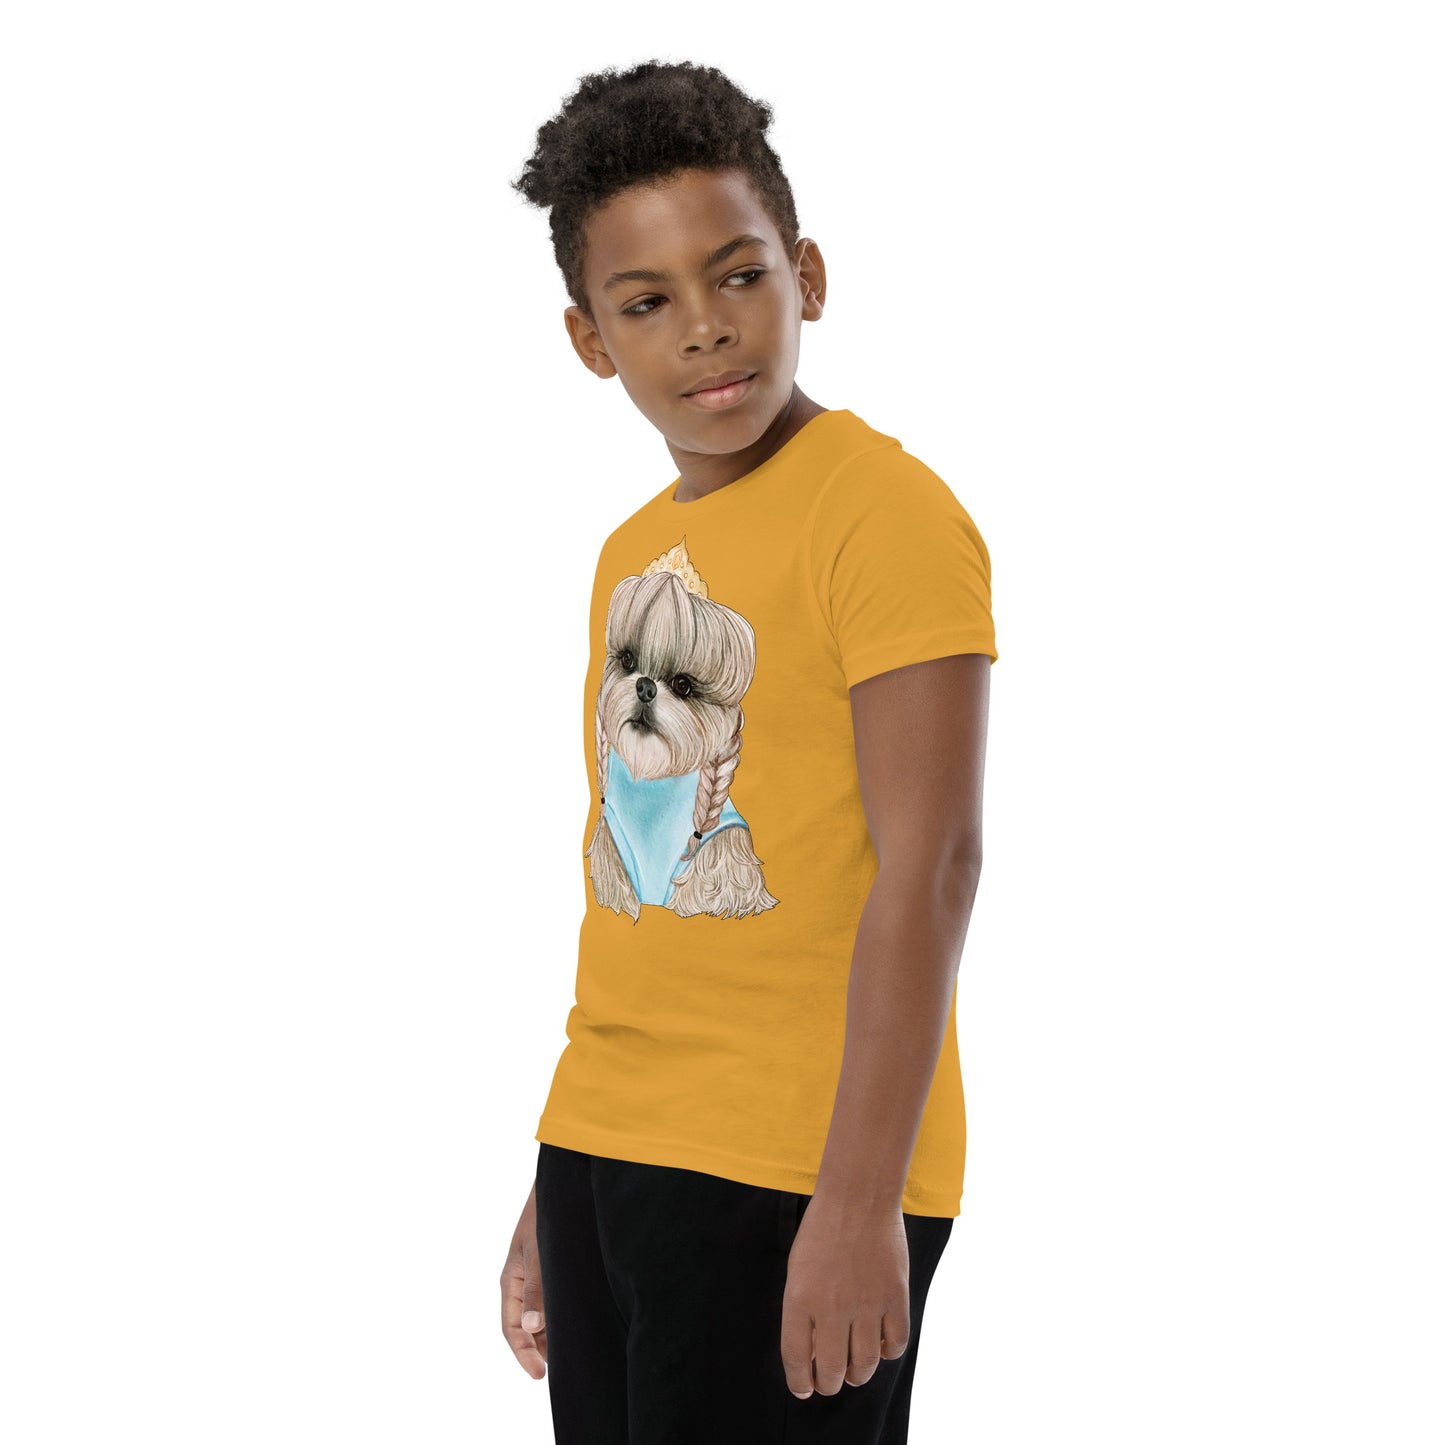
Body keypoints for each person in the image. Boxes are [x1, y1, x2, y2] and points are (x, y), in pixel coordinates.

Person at [500, 58, 997, 1444]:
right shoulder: (631, 556)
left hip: (791, 1168)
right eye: (646, 302)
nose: (706, 329)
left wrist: (858, 1201)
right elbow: (633, 891)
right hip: (610, 1145)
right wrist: (560, 1175)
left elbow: (933, 864)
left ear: (807, 276)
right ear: (590, 339)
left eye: (738, 276)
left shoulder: (880, 512)